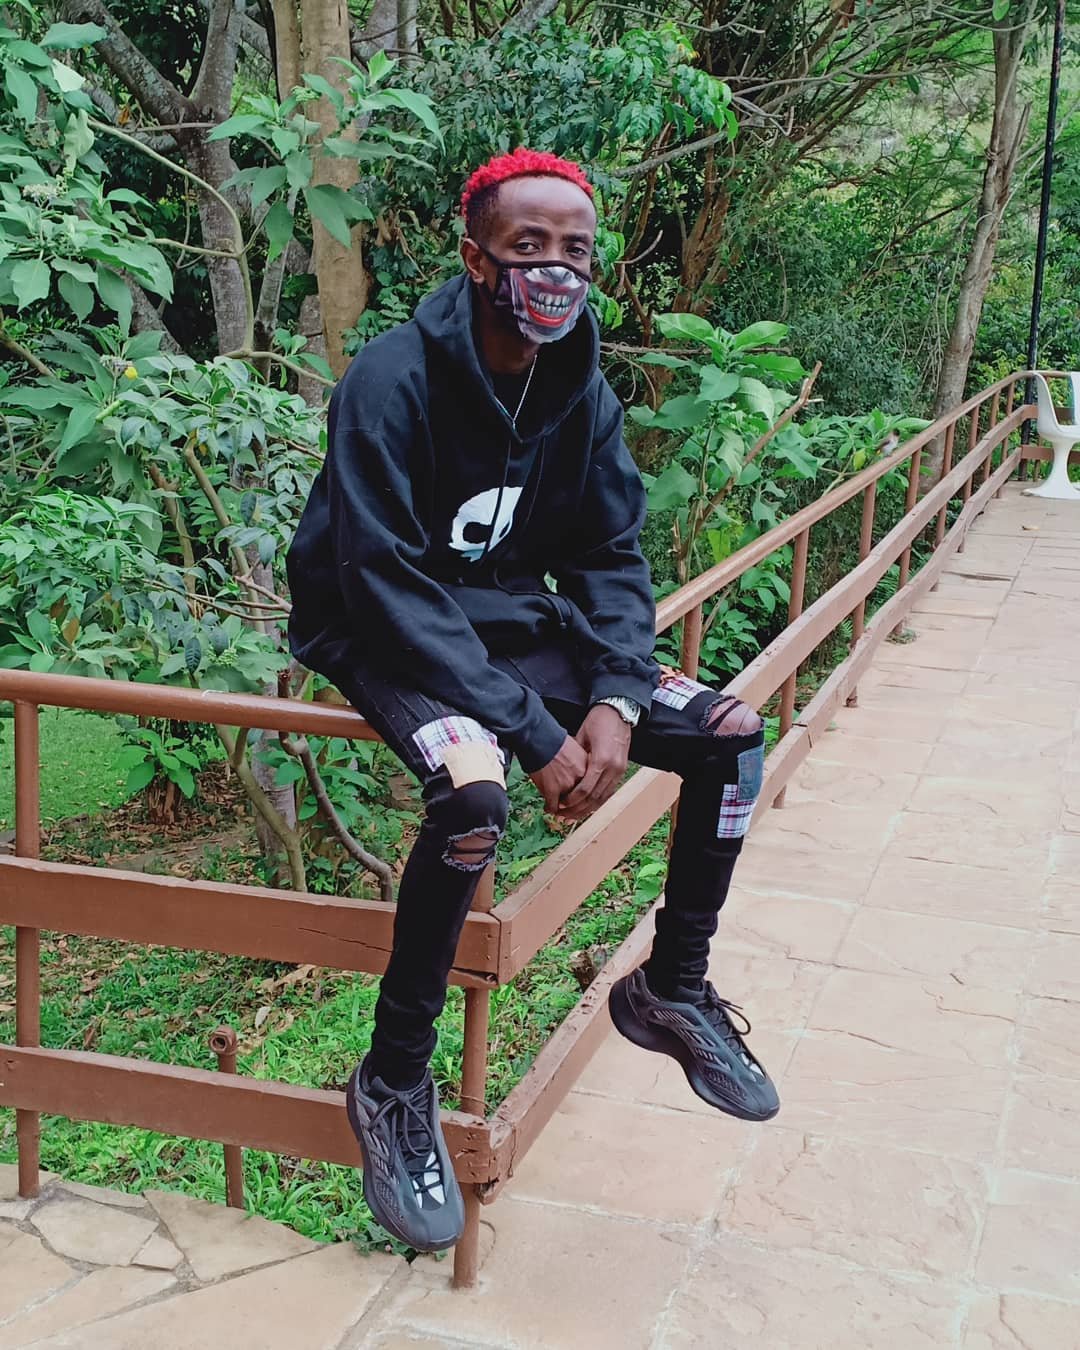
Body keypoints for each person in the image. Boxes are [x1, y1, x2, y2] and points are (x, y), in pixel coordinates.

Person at [286, 147, 779, 1254]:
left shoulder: (580, 388)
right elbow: (383, 577)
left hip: (507, 616)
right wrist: (535, 733)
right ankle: (393, 1080)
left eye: (575, 250)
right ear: (476, 259)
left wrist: (615, 694)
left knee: (733, 737)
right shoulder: (391, 381)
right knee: (474, 796)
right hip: (376, 618)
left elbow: (610, 553)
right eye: (528, 246)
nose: (555, 269)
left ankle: (672, 988)